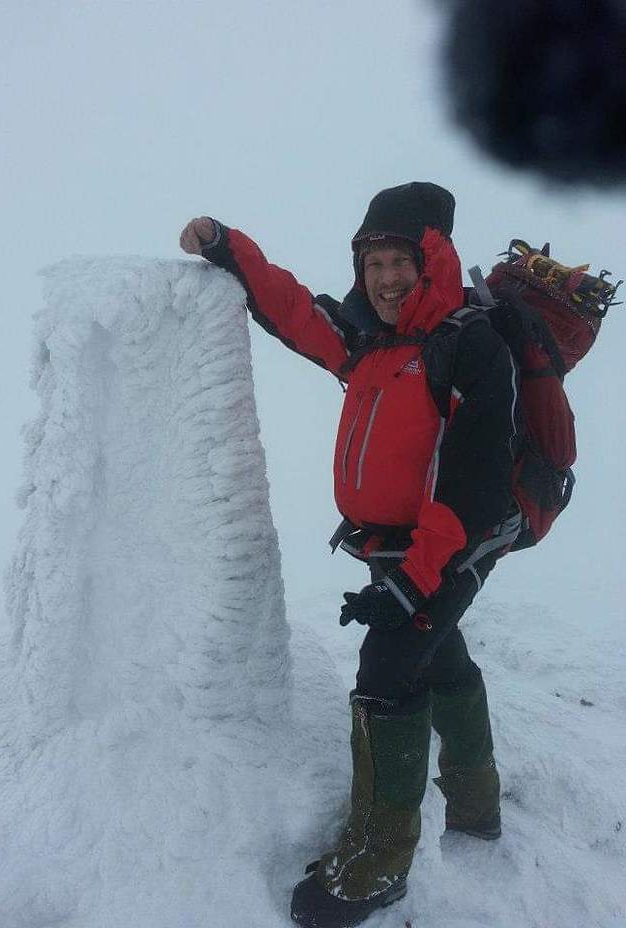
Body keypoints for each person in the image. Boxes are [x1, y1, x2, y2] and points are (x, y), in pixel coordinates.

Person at [180, 182, 521, 928]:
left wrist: (413, 582)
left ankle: (379, 862)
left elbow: (473, 483)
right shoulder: (372, 343)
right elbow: (297, 313)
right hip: (393, 546)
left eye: (402, 260)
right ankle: (476, 803)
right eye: (374, 263)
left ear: (433, 260)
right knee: (443, 654)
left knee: (389, 672)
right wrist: (227, 246)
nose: (387, 278)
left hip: (452, 544)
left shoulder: (469, 346)